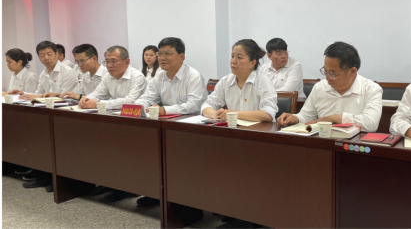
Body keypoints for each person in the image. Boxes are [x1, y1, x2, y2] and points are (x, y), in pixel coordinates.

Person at [134, 37, 207, 207]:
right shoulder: (159, 76)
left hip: (191, 129)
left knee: (179, 163)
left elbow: (194, 105)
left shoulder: (193, 76)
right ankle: (156, 193)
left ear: (181, 56)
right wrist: (136, 107)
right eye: (160, 53)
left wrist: (165, 110)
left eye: (168, 53)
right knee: (150, 153)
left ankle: (186, 202)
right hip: (166, 127)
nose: (162, 57)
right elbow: (147, 98)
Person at [277, 42, 382, 131]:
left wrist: (333, 118)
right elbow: (307, 115)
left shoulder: (371, 89)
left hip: (353, 146)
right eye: (325, 71)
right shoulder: (320, 87)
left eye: (332, 73)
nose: (327, 78)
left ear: (352, 71)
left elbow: (370, 124)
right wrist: (295, 118)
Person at [202, 39, 277, 122]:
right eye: (232, 56)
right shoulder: (226, 81)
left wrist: (233, 114)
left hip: (259, 129)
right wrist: (214, 114)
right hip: (234, 128)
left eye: (239, 57)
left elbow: (268, 113)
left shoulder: (262, 80)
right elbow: (207, 104)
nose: (233, 61)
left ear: (252, 63)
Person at [78, 45, 147, 110]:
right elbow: (98, 94)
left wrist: (99, 104)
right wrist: (86, 98)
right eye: (107, 61)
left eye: (114, 61)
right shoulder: (108, 76)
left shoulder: (137, 76)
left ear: (127, 62)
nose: (109, 65)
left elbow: (131, 101)